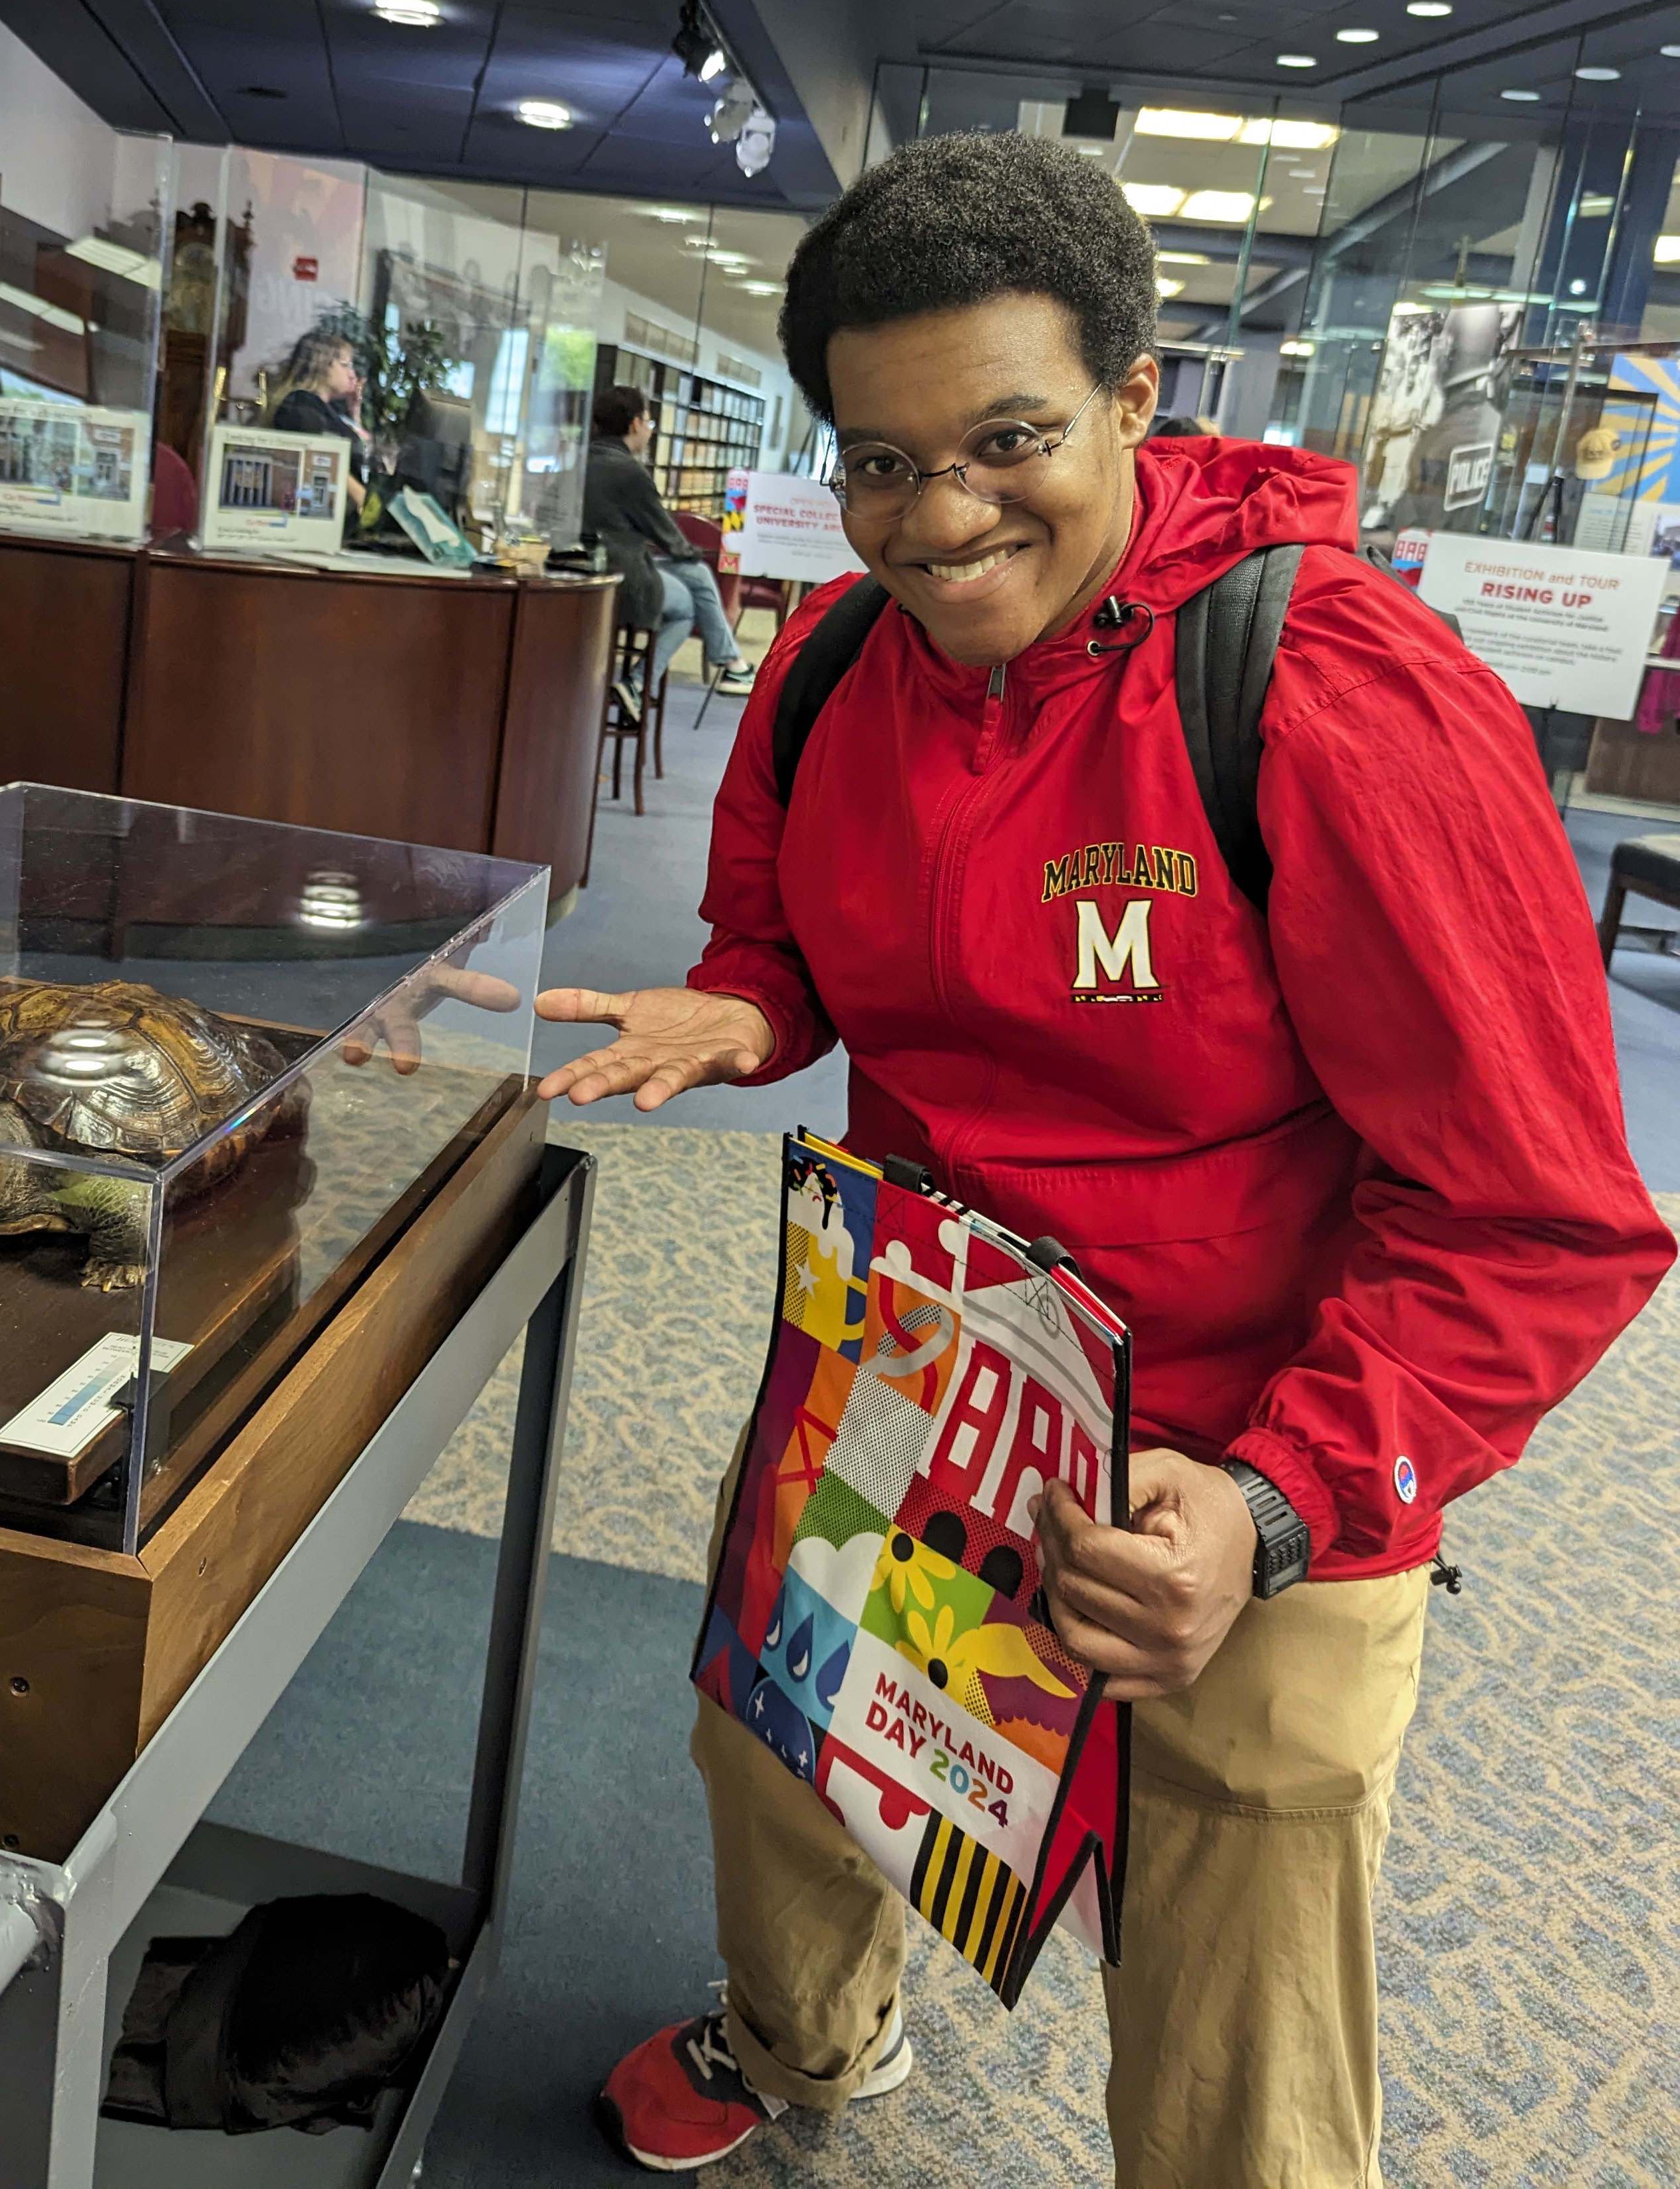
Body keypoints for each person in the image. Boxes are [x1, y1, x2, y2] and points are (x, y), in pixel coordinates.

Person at [535, 131, 1670, 2186]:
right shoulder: (823, 672)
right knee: (784, 1750)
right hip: (922, 1365)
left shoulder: (1329, 694)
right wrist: (748, 1007)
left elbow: (1540, 1216)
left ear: (1139, 401)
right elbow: (785, 931)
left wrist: (1283, 1499)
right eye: (877, 462)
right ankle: (805, 2039)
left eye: (1005, 439)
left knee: (1235, 1990)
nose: (938, 517)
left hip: (1257, 1448)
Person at [585, 385, 755, 712]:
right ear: (635, 424)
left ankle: (732, 664)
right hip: (622, 579)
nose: (649, 432)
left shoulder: (580, 461)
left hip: (584, 568)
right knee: (686, 605)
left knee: (696, 573)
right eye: (649, 423)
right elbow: (665, 533)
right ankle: (638, 683)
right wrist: (692, 551)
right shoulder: (630, 472)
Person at [273, 306, 372, 510]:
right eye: (346, 365)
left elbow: (354, 454)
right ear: (323, 366)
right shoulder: (302, 405)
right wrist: (366, 503)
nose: (353, 375)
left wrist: (355, 412)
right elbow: (323, 458)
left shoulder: (328, 409)